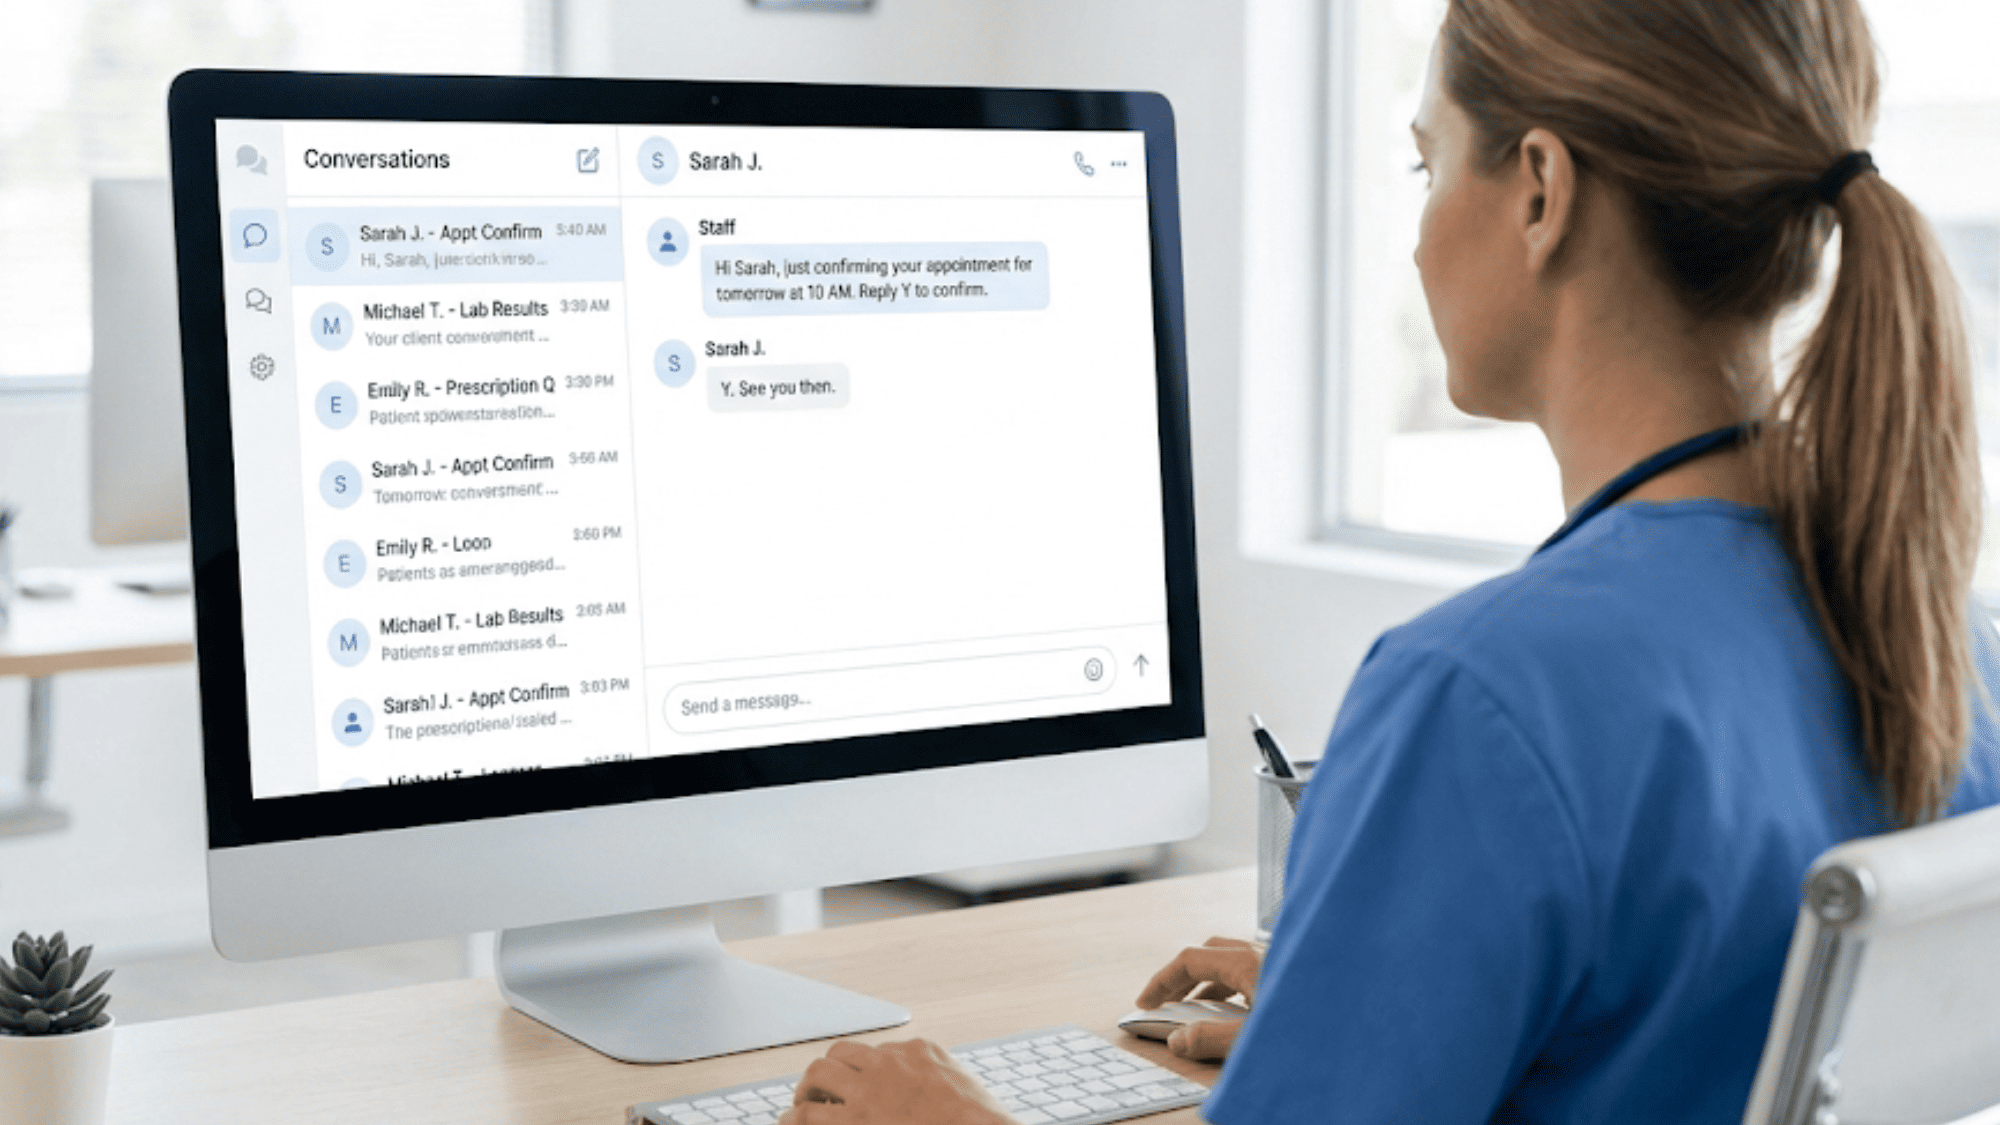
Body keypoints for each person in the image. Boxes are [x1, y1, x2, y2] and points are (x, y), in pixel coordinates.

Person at [776, 1, 2000, 1121]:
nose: (1414, 239)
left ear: (1537, 191)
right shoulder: (1947, 650)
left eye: (1424, 164)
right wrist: (1359, 993)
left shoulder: (1482, 699)